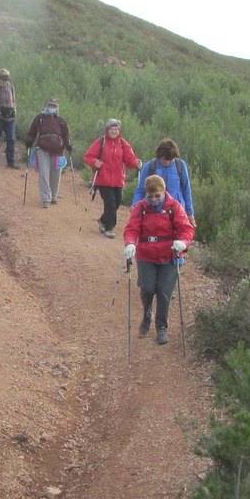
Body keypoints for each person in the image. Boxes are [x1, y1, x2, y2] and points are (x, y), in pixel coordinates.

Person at [122, 174, 195, 345]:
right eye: (150, 196)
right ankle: (147, 315)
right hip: (146, 254)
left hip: (170, 254)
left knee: (164, 291)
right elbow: (131, 229)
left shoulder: (174, 207)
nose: (154, 199)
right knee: (147, 288)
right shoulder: (141, 208)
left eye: (157, 195)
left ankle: (161, 327)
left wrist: (183, 243)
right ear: (146, 194)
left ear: (163, 192)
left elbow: (186, 229)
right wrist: (131, 243)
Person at [83, 118, 142, 238]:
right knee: (110, 204)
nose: (114, 131)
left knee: (118, 202)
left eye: (116, 129)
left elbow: (129, 158)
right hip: (103, 179)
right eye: (111, 128)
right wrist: (95, 162)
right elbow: (88, 156)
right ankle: (109, 228)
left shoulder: (122, 143)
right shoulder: (101, 141)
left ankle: (103, 220)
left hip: (118, 179)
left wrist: (136, 162)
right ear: (107, 129)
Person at [132, 138, 196, 226]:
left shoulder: (180, 165)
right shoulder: (150, 166)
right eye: (165, 159)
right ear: (159, 156)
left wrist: (190, 213)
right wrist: (135, 205)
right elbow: (141, 190)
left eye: (171, 159)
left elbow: (186, 189)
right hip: (155, 211)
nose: (168, 162)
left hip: (177, 211)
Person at [25, 97, 72, 208]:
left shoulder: (61, 120)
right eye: (50, 105)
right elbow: (32, 132)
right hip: (42, 149)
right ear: (47, 105)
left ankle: (54, 196)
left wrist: (68, 143)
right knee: (44, 174)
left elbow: (67, 134)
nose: (52, 108)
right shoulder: (40, 118)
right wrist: (29, 140)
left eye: (54, 106)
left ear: (57, 107)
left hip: (58, 150)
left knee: (56, 174)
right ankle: (46, 198)